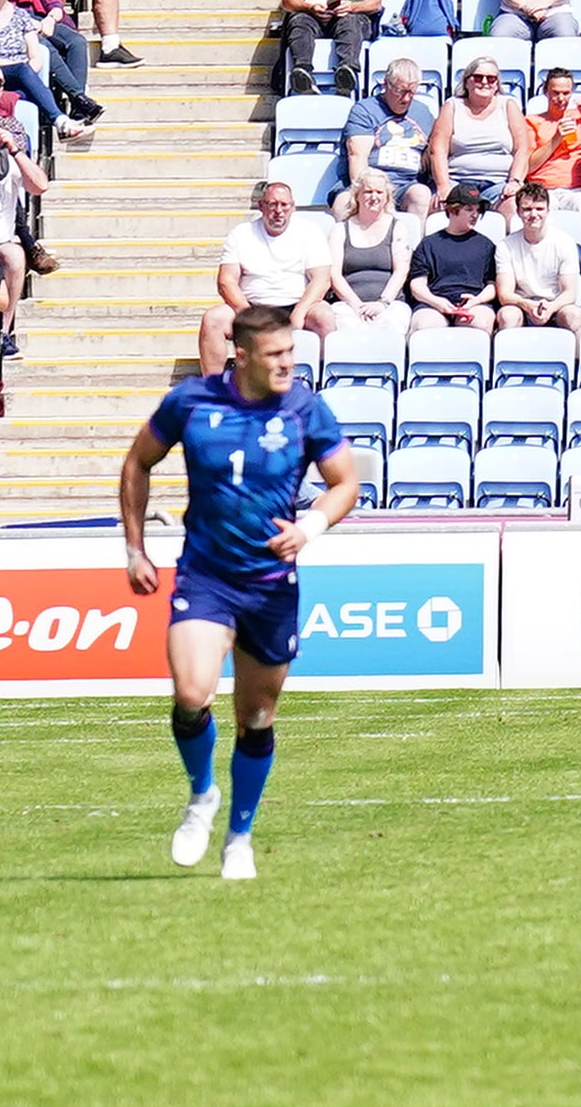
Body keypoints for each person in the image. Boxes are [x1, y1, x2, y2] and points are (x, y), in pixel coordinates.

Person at [118, 301, 365, 882]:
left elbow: (345, 482)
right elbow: (137, 463)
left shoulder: (306, 408)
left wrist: (310, 527)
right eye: (276, 354)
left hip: (271, 587)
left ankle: (240, 835)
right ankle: (202, 795)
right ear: (243, 354)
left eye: (292, 352)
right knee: (191, 691)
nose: (288, 363)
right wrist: (134, 547)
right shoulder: (191, 401)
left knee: (255, 717)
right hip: (205, 577)